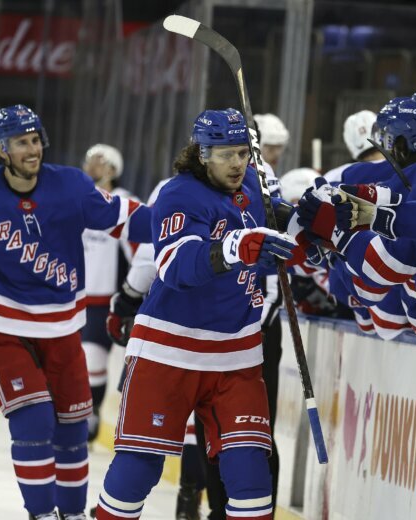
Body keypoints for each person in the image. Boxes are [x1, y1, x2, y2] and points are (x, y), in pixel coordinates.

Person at [0, 105, 152, 519]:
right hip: (1, 324)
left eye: (34, 140)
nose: (31, 150)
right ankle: (42, 514)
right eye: (19, 143)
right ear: (0, 148)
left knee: (72, 429)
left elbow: (129, 221)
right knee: (34, 422)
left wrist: (192, 219)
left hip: (63, 324)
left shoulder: (70, 186)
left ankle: (72, 512)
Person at [95, 108, 297, 520]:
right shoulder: (179, 194)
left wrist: (310, 222)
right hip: (167, 353)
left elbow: (291, 245)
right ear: (202, 153)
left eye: (243, 152)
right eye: (226, 154)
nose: (238, 162)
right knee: (139, 468)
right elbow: (176, 264)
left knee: (251, 474)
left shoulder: (255, 190)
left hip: (236, 357)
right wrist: (236, 247)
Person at [80, 143, 137, 442]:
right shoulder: (79, 201)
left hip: (105, 302)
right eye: (90, 159)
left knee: (93, 363)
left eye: (98, 160)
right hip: (74, 299)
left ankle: (91, 415)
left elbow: (139, 251)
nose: (91, 164)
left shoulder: (123, 203)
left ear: (113, 168)